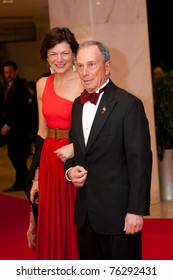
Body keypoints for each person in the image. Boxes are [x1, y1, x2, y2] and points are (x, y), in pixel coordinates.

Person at [65, 40, 152, 260]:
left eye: (92, 65)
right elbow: (75, 148)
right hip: (85, 217)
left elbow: (140, 162)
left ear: (108, 67)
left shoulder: (128, 105)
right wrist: (70, 171)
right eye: (80, 66)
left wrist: (136, 211)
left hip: (119, 217)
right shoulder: (77, 104)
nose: (85, 72)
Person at [25, 27, 83, 259]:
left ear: (73, 55)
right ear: (46, 56)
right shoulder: (42, 84)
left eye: (65, 53)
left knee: (74, 220)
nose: (59, 59)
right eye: (53, 54)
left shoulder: (84, 81)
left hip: (76, 157)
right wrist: (37, 177)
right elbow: (41, 132)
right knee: (52, 220)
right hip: (50, 159)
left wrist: (76, 148)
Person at [1, 61, 31, 192]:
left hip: (19, 129)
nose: (8, 74)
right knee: (13, 154)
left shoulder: (20, 86)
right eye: (6, 72)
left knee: (17, 155)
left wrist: (7, 125)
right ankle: (23, 179)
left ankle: (23, 180)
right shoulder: (6, 86)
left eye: (10, 72)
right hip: (12, 130)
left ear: (15, 71)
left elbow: (18, 109)